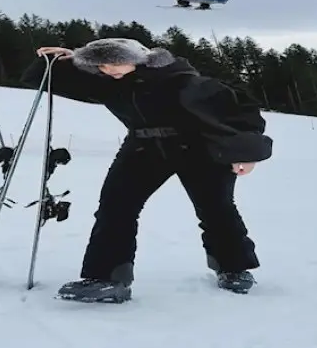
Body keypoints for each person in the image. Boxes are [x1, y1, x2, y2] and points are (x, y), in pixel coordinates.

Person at [20, 38, 273, 303]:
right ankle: (107, 278)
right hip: (143, 147)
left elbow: (241, 111)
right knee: (115, 205)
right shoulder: (108, 83)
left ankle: (233, 269)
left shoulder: (181, 79)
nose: (109, 69)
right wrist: (66, 59)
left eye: (115, 61)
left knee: (215, 208)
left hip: (198, 147)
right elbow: (39, 79)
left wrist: (245, 152)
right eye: (102, 65)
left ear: (139, 58)